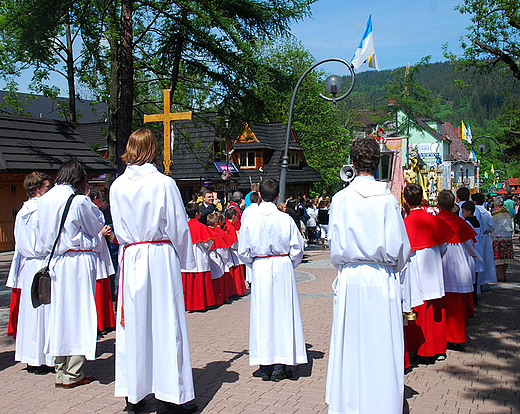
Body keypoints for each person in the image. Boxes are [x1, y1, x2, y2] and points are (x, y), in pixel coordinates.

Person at [110, 129, 197, 414]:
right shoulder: (164, 183)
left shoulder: (117, 185)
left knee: (134, 327)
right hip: (158, 256)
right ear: (153, 150)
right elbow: (178, 225)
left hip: (131, 255)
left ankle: (133, 396)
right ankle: (171, 396)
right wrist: (187, 260)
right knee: (165, 324)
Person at [325, 137, 411, 414]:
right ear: (377, 163)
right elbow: (402, 248)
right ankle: (383, 403)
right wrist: (392, 269)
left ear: (352, 163)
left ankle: (349, 403)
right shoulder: (387, 199)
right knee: (382, 342)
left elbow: (335, 246)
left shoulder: (340, 199)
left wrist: (345, 266)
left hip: (351, 275)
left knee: (351, 342)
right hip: (381, 276)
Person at [38, 159, 106, 388]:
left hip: (56, 261)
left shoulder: (45, 200)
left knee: (59, 315)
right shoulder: (77, 201)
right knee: (79, 313)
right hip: (77, 260)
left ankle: (60, 368)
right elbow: (96, 226)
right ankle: (74, 371)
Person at [238, 178, 307, 382]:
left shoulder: (250, 219)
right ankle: (280, 364)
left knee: (263, 314)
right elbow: (297, 248)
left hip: (260, 266)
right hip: (282, 264)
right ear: (278, 196)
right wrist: (288, 264)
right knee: (283, 313)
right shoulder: (285, 219)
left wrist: (255, 264)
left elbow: (242, 251)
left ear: (259, 195)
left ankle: (265, 365)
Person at [6, 172, 54, 374]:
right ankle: (46, 357)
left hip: (28, 265)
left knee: (31, 312)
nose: (49, 190)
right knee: (45, 309)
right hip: (42, 262)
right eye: (47, 186)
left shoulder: (21, 212)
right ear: (38, 189)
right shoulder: (43, 211)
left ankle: (32, 358)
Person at [402, 183, 454, 363]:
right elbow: (444, 246)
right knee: (436, 308)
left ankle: (417, 348)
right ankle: (438, 349)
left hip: (414, 268)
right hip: (433, 267)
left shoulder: (404, 224)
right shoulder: (434, 219)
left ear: (405, 201)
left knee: (416, 308)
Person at [436, 190, 478, 352]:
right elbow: (469, 244)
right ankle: (457, 338)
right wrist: (475, 257)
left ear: (438, 205)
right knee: (457, 304)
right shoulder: (461, 222)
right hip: (458, 263)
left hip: (441, 263)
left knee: (442, 303)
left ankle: (443, 337)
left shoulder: (436, 220)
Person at [88, 186, 116, 335]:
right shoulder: (89, 211)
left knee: (105, 285)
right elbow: (89, 233)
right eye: (99, 197)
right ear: (95, 199)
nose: (102, 200)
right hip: (95, 250)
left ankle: (107, 320)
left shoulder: (97, 211)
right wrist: (101, 233)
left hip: (102, 249)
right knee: (98, 287)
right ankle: (99, 323)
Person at [181, 203, 216, 311]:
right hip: (199, 257)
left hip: (186, 257)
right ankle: (202, 304)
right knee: (200, 280)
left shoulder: (183, 227)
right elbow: (207, 244)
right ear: (197, 214)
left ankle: (187, 305)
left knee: (189, 280)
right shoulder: (201, 227)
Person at [471, 193, 497, 292]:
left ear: (475, 201)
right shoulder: (486, 212)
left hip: (476, 238)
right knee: (484, 261)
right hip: (484, 238)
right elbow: (490, 225)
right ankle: (482, 282)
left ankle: (477, 286)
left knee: (477, 262)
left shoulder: (474, 210)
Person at [491, 196, 514, 282]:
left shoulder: (495, 213)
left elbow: (492, 225)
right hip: (507, 235)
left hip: (498, 236)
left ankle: (500, 275)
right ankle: (503, 274)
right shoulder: (506, 212)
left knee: (498, 256)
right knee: (506, 256)